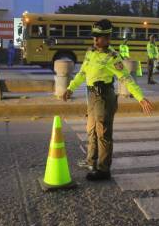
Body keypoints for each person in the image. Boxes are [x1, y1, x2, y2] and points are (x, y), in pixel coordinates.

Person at [62, 19, 153, 181]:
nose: (96, 40)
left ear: (108, 37)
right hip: (91, 95)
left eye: (100, 37)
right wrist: (70, 88)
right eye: (94, 37)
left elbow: (126, 78)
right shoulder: (90, 52)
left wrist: (140, 97)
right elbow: (82, 73)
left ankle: (104, 170)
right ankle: (91, 161)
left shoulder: (112, 57)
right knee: (91, 130)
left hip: (104, 96)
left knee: (103, 133)